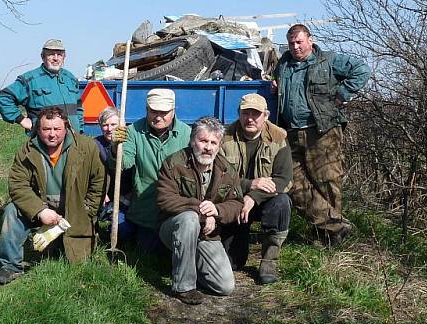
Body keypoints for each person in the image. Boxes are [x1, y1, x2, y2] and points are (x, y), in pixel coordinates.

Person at [273, 23, 370, 246]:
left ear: (310, 40)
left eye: (299, 42)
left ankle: (329, 237)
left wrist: (342, 94)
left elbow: (362, 70)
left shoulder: (328, 60)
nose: (295, 47)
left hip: (322, 130)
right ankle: (336, 227)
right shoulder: (284, 64)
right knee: (291, 181)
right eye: (291, 43)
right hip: (292, 131)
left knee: (327, 181)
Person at [0, 106, 104, 285]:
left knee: (75, 261)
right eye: (46, 129)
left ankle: (65, 244)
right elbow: (18, 185)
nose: (52, 134)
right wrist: (40, 211)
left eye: (57, 129)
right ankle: (10, 266)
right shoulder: (27, 150)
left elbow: (99, 181)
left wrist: (88, 209)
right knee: (12, 210)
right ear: (38, 129)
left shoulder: (86, 146)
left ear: (66, 127)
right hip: (42, 207)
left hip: (75, 209)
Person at [157, 116, 244, 304]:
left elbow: (237, 204)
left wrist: (217, 210)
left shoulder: (227, 170)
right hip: (173, 229)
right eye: (203, 141)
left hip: (207, 235)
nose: (208, 147)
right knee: (189, 219)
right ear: (192, 140)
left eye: (214, 142)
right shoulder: (173, 163)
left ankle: (189, 265)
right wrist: (201, 212)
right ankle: (184, 287)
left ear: (219, 145)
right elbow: (165, 200)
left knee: (225, 286)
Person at [220, 93, 292, 284]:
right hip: (235, 199)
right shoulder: (225, 137)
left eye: (255, 114)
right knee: (233, 264)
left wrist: (253, 196)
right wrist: (248, 185)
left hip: (266, 199)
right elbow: (219, 178)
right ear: (239, 114)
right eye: (245, 113)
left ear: (266, 116)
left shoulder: (279, 137)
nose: (250, 118)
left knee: (282, 202)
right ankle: (234, 247)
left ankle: (269, 259)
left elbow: (284, 179)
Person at [111, 88, 191, 251]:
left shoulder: (187, 134)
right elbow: (124, 163)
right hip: (145, 211)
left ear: (173, 111)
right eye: (154, 111)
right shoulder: (134, 131)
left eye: (164, 112)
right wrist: (115, 147)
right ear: (147, 109)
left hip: (175, 210)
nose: (158, 116)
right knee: (147, 250)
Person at [0, 38, 83, 134]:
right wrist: (21, 120)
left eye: (59, 54)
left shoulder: (70, 79)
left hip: (73, 140)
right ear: (43, 56)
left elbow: (78, 107)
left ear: (64, 57)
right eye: (51, 54)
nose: (56, 58)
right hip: (44, 142)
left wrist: (80, 129)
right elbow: (3, 98)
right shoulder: (30, 79)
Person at [93, 106, 132, 238]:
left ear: (122, 125)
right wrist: (101, 192)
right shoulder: (94, 145)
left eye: (113, 124)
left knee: (124, 230)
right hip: (104, 195)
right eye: (105, 125)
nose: (109, 129)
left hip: (128, 196)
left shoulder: (130, 143)